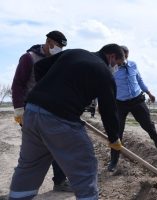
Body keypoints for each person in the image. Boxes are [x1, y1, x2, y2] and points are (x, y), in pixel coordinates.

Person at [8, 44, 124, 200]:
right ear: (111, 57)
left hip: (33, 111)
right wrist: (114, 138)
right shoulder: (104, 73)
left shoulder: (73, 53)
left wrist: (47, 91)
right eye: (117, 64)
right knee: (85, 164)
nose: (116, 69)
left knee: (30, 165)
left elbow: (41, 66)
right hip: (59, 118)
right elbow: (109, 111)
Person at [11, 30, 72, 192]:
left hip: (51, 111)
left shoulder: (56, 59)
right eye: (57, 45)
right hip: (30, 112)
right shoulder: (29, 58)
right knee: (32, 151)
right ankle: (20, 188)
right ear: (49, 42)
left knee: (57, 146)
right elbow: (17, 84)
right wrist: (18, 109)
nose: (59, 49)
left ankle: (59, 181)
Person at [107, 45, 157, 172]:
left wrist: (149, 93)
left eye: (126, 56)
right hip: (120, 103)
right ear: (116, 56)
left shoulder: (133, 65)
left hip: (137, 100)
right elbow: (106, 86)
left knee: (148, 124)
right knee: (117, 132)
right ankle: (114, 161)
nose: (125, 59)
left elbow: (139, 80)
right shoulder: (111, 69)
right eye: (122, 56)